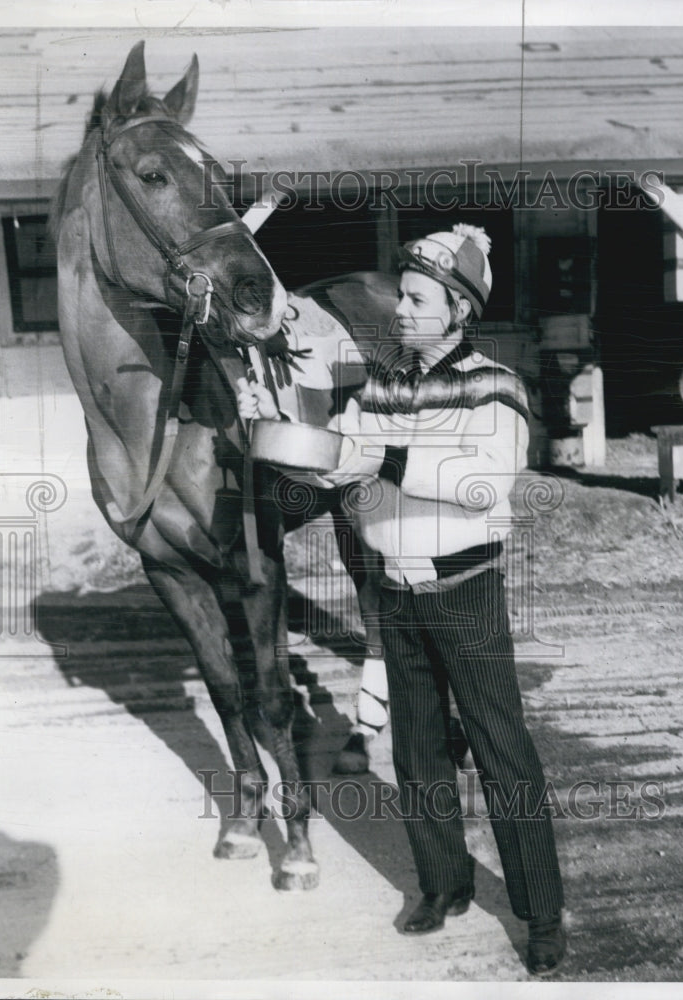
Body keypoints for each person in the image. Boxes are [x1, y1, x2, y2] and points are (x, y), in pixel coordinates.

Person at [237, 224, 566, 976]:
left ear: (457, 307)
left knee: (500, 751)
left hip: (463, 591)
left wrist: (381, 455)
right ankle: (441, 885)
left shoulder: (495, 385)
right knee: (415, 754)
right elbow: (331, 470)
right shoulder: (381, 386)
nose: (404, 312)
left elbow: (483, 478)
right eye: (403, 299)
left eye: (419, 300)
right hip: (396, 593)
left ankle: (540, 913)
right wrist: (274, 427)